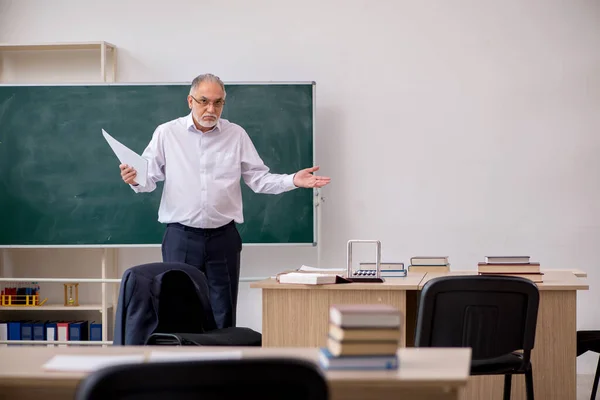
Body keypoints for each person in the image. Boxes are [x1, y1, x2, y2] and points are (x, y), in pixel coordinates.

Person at [119, 73, 330, 329]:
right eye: (204, 101)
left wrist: (293, 180)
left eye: (218, 102)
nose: (211, 108)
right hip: (181, 237)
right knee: (179, 309)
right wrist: (133, 179)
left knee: (224, 312)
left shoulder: (236, 134)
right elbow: (148, 178)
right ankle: (185, 367)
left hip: (223, 239)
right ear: (190, 101)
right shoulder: (167, 133)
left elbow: (258, 179)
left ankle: (222, 365)